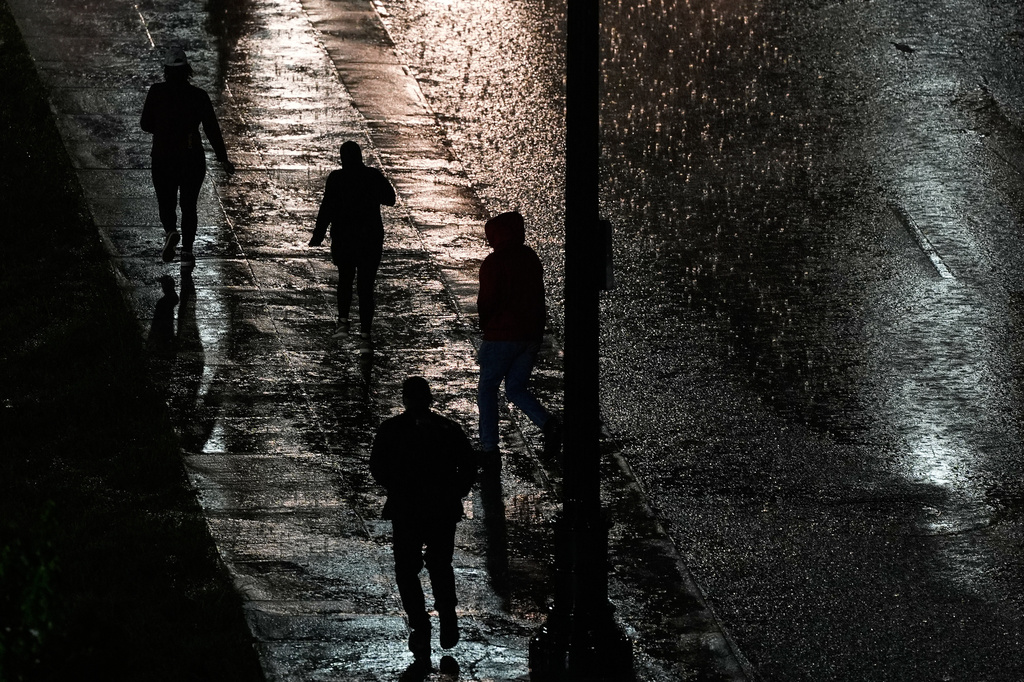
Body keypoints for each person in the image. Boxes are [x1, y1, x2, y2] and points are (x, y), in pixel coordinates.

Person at [369, 377, 476, 667]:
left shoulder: (391, 430)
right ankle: (447, 613)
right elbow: (468, 466)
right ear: (430, 399)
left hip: (407, 509)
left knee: (407, 569)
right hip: (442, 508)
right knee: (440, 564)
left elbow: (377, 467)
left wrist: (398, 486)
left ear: (405, 400)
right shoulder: (448, 430)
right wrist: (455, 492)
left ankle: (419, 621)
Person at [476, 211, 561, 471]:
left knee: (488, 391)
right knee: (515, 388)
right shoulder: (530, 257)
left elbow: (487, 301)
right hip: (530, 334)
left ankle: (489, 449)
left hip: (502, 334)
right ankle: (549, 424)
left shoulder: (494, 262)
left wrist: (486, 327)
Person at [141, 47, 235, 266]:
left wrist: (164, 127)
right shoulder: (199, 96)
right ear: (187, 70)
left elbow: (145, 124)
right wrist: (223, 158)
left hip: (163, 157)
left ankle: (171, 231)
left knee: (166, 201)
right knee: (189, 205)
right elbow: (212, 129)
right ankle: (188, 252)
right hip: (192, 158)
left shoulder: (156, 92)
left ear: (166, 70)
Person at [309, 141, 396, 347]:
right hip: (370, 240)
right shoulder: (372, 176)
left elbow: (326, 208)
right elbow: (390, 199)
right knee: (366, 287)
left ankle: (343, 322)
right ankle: (365, 332)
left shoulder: (336, 178)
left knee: (345, 280)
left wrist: (318, 235)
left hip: (345, 240)